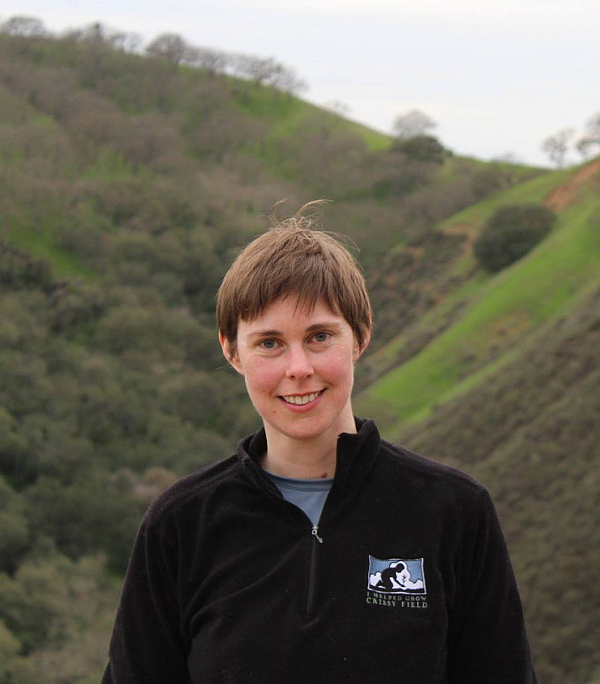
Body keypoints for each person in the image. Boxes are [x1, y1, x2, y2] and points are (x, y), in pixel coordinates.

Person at [102, 208, 536, 683]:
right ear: (231, 351)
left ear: (360, 335)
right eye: (269, 343)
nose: (299, 368)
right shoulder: (181, 525)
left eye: (320, 336)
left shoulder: (454, 511)